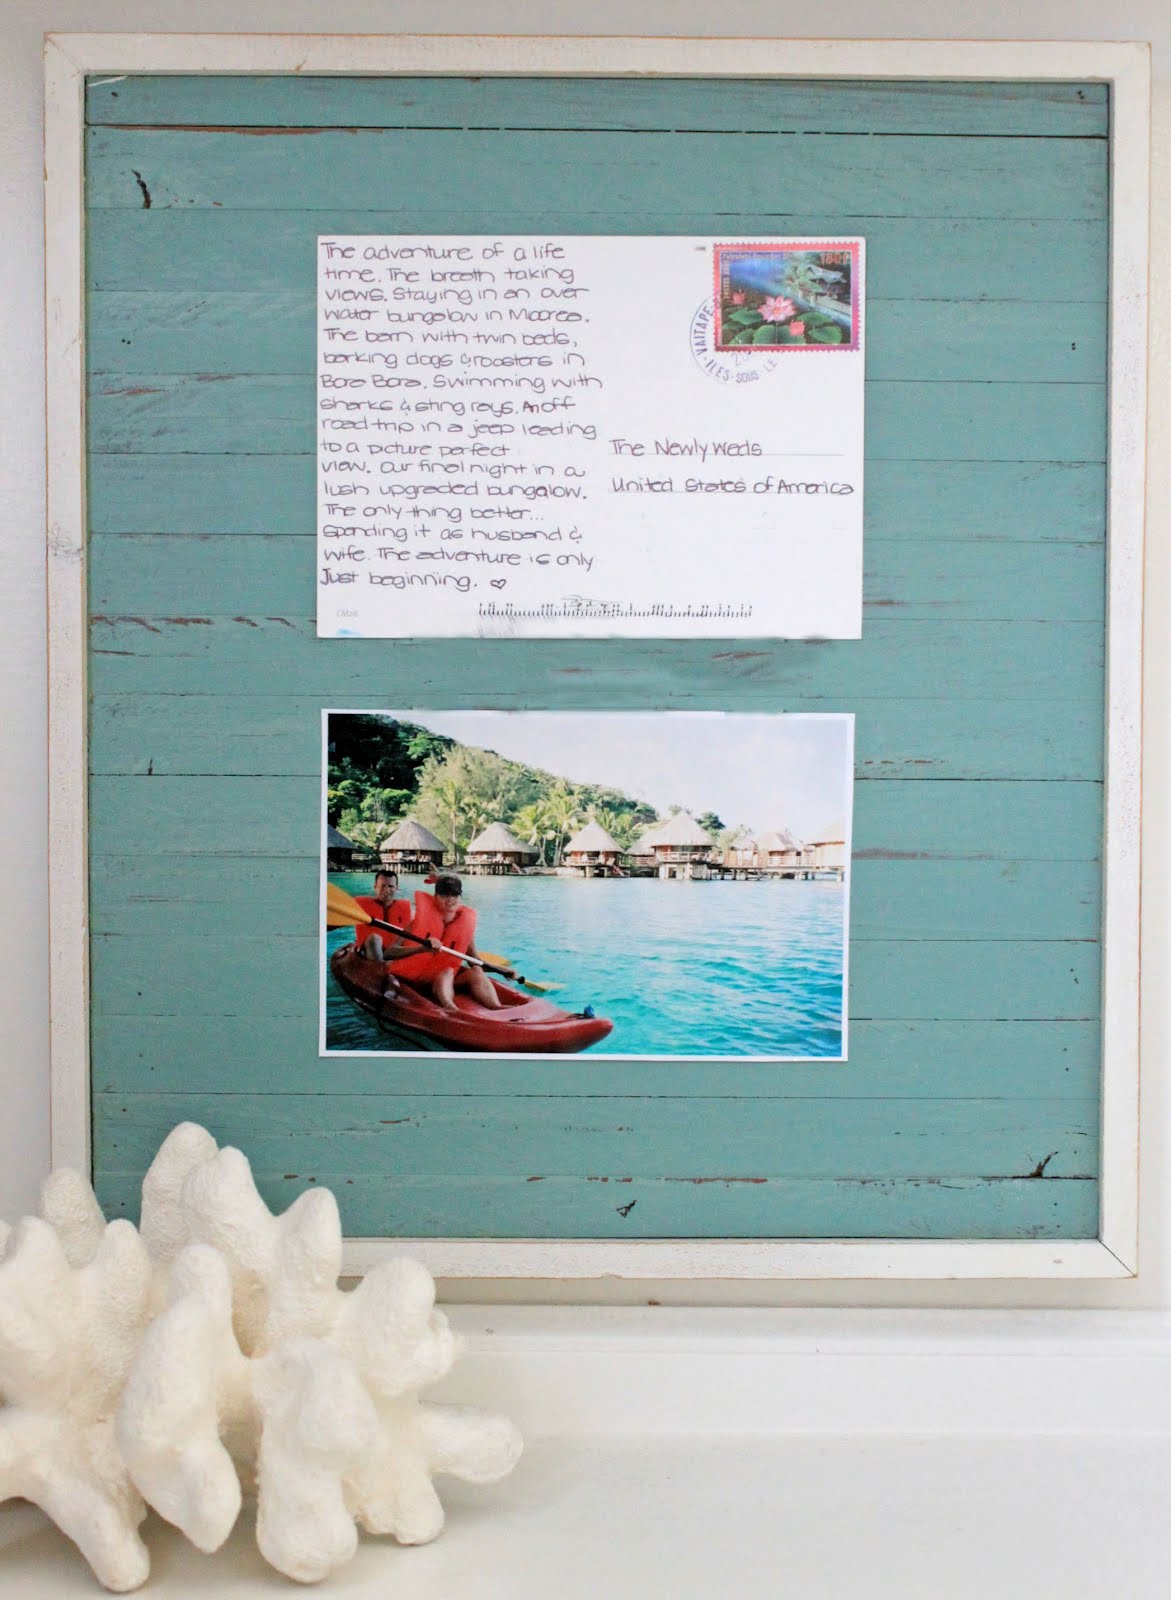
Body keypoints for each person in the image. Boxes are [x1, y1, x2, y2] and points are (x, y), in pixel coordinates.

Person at [381, 873, 502, 1013]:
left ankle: (496, 1007)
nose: (450, 899)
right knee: (448, 972)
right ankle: (452, 1010)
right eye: (444, 895)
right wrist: (420, 949)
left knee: (475, 971)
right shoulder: (417, 924)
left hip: (445, 981)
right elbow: (388, 954)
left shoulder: (463, 928)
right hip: (416, 980)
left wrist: (501, 970)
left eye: (455, 895)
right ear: (435, 897)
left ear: (460, 897)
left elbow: (475, 962)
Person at [353, 870, 411, 964]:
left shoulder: (404, 908)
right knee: (374, 939)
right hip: (367, 952)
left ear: (396, 888)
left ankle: (387, 965)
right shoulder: (359, 905)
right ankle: (382, 967)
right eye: (382, 886)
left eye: (391, 886)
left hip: (393, 953)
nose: (386, 890)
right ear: (375, 887)